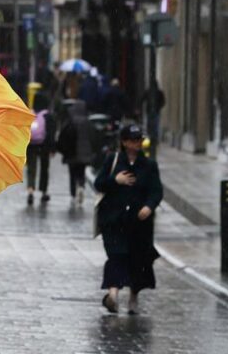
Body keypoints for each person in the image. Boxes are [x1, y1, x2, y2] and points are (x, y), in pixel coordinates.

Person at [94, 124, 163, 314]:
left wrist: (149, 206)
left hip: (139, 224)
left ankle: (133, 296)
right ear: (124, 142)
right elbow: (98, 183)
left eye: (139, 140)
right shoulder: (113, 160)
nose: (137, 143)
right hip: (114, 221)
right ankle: (113, 295)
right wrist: (115, 181)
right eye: (133, 140)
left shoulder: (149, 165)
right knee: (116, 256)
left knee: (138, 260)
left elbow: (156, 191)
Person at [56, 100, 96, 205]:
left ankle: (73, 194)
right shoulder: (87, 122)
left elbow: (62, 136)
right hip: (84, 153)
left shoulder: (70, 121)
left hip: (71, 153)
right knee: (81, 173)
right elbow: (93, 137)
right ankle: (81, 186)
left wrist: (61, 149)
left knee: (72, 174)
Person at [26, 90, 57, 205]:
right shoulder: (48, 116)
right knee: (44, 169)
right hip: (44, 146)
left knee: (31, 170)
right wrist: (53, 149)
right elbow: (51, 134)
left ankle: (30, 191)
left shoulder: (29, 113)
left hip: (31, 146)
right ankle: (44, 192)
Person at [140, 81, 166, 154]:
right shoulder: (156, 92)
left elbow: (142, 99)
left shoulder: (152, 92)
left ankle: (153, 138)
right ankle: (153, 138)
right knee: (153, 125)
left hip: (153, 111)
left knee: (152, 125)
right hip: (153, 111)